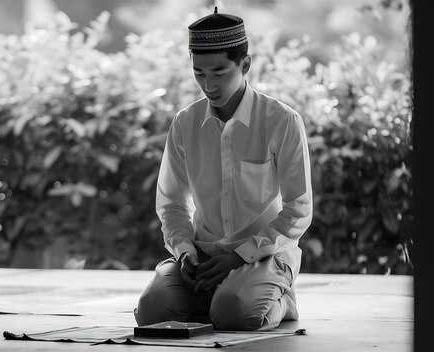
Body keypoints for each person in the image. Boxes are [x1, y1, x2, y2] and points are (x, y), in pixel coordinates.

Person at [134, 6, 313, 331]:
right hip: (202, 258)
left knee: (235, 313)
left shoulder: (281, 121)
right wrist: (185, 253)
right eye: (199, 73)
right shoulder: (185, 123)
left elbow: (298, 209)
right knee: (151, 310)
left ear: (245, 64)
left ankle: (276, 299)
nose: (208, 84)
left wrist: (239, 256)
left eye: (219, 72)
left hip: (263, 256)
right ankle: (220, 301)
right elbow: (172, 204)